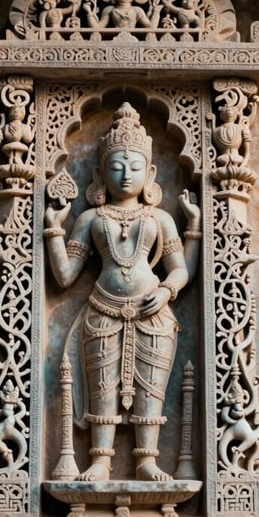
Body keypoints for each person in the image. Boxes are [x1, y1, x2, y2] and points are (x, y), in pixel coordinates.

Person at [45, 103, 200, 481]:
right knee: (103, 385)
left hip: (155, 314)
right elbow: (65, 276)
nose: (125, 175)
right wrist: (52, 230)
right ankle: (101, 460)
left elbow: (181, 270)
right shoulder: (90, 219)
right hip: (103, 311)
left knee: (152, 385)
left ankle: (146, 460)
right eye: (116, 167)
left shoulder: (160, 218)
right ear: (100, 174)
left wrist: (166, 290)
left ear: (149, 174)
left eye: (134, 168)